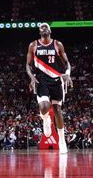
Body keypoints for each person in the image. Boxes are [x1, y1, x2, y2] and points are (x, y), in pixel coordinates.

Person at [26, 23, 72, 154]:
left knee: (57, 109)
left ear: (50, 30)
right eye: (41, 27)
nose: (44, 28)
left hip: (57, 79)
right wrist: (31, 77)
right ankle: (45, 119)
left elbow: (67, 63)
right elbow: (28, 65)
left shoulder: (58, 44)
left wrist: (67, 74)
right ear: (39, 32)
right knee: (45, 107)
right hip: (42, 80)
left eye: (46, 27)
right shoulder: (33, 45)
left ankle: (62, 141)